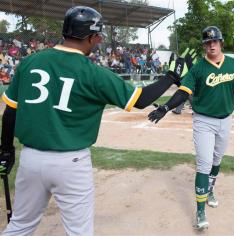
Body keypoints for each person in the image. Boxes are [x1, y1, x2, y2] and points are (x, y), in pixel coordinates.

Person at [0, 6, 195, 236]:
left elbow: (10, 111)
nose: (99, 40)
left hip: (31, 160)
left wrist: (6, 150)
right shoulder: (93, 72)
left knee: (20, 226)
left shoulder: (29, 62)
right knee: (79, 232)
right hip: (71, 163)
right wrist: (171, 77)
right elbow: (141, 100)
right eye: (98, 36)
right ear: (90, 37)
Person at [147, 26, 234, 230]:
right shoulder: (198, 68)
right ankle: (200, 211)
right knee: (204, 163)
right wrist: (165, 107)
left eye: (214, 41)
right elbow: (184, 92)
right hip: (203, 121)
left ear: (221, 42)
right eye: (207, 42)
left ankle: (209, 191)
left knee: (217, 159)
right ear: (204, 46)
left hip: (225, 120)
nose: (211, 45)